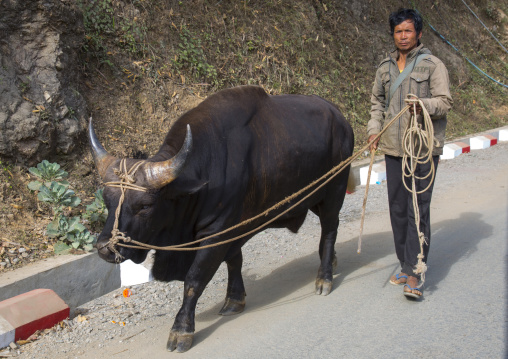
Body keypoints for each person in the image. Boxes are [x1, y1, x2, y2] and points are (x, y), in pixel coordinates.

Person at [367, 8, 452, 299]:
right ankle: (404, 263)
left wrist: (423, 105)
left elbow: (444, 102)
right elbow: (377, 103)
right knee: (398, 209)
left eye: (408, 31)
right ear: (393, 34)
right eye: (398, 31)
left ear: (418, 33)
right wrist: (373, 129)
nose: (403, 36)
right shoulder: (384, 67)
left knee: (418, 210)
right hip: (392, 148)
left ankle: (416, 272)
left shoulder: (432, 65)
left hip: (422, 149)